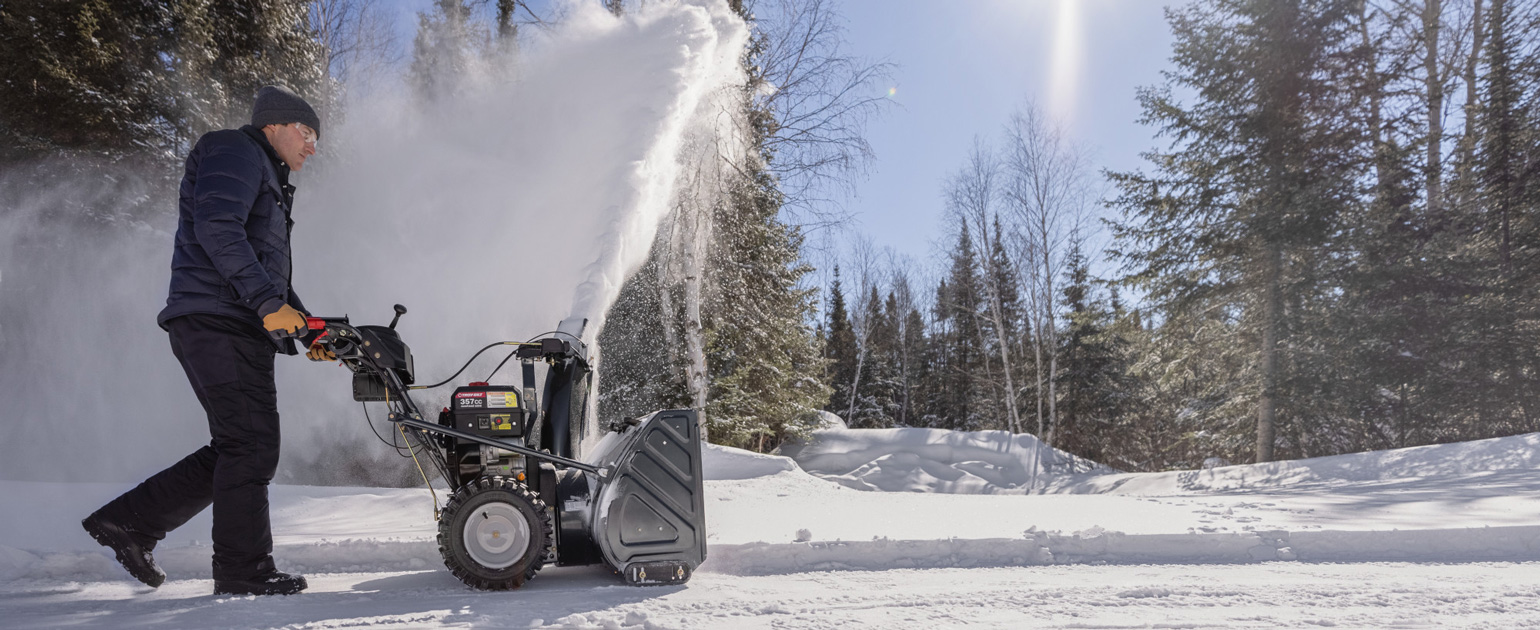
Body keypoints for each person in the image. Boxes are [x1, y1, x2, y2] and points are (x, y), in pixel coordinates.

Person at [81, 85, 337, 596]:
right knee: (252, 446)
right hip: (219, 319)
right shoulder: (234, 149)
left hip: (225, 318)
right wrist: (267, 306)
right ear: (275, 126)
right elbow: (218, 228)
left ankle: (129, 523)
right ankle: (243, 572)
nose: (312, 145)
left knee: (240, 445)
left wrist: (308, 327)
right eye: (306, 133)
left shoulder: (263, 171)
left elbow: (264, 268)